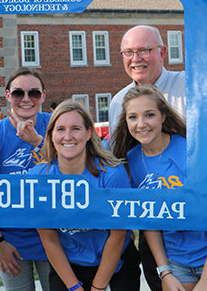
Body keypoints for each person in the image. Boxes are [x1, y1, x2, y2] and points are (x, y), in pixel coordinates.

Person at [107, 25, 207, 291]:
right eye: (129, 52)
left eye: (144, 50)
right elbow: (116, 156)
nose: (136, 59)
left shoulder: (192, 84)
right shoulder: (119, 101)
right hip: (161, 231)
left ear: (162, 52)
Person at [112, 85, 207, 290]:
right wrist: (165, 272)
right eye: (133, 117)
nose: (141, 124)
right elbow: (149, 221)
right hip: (177, 260)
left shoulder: (192, 150)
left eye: (149, 115)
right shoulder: (131, 161)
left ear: (163, 116)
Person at [29, 100, 139, 291]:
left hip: (117, 260)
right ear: (51, 135)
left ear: (89, 133)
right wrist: (74, 287)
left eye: (76, 129)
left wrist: (97, 288)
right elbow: (50, 240)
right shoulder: (39, 178)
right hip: (69, 264)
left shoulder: (112, 173)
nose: (68, 136)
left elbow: (118, 235)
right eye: (61, 129)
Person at [0, 67, 51, 291]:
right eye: (18, 93)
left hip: (53, 237)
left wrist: (39, 142)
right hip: (10, 239)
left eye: (33, 93)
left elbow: (72, 173)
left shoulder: (55, 126)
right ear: (7, 95)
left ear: (42, 96)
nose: (26, 99)